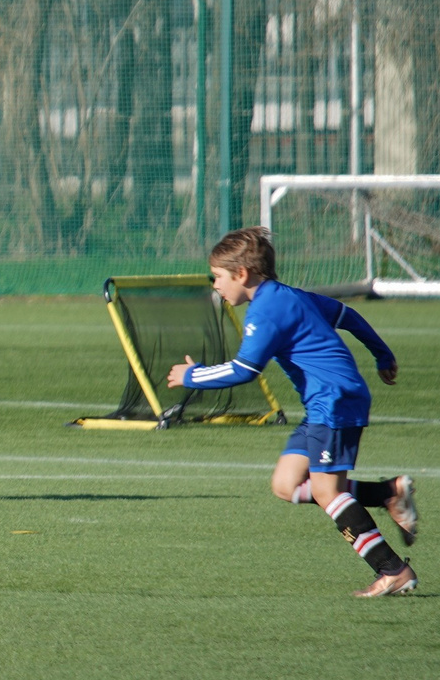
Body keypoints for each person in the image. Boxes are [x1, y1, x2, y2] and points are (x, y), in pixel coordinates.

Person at [170, 226, 419, 597]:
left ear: (242, 274)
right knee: (286, 485)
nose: (216, 287)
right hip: (324, 402)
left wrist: (194, 375)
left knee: (326, 492)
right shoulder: (287, 296)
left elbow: (245, 369)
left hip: (333, 401)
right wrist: (381, 353)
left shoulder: (266, 310)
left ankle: (392, 570)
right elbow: (346, 314)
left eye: (218, 278)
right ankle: (388, 492)